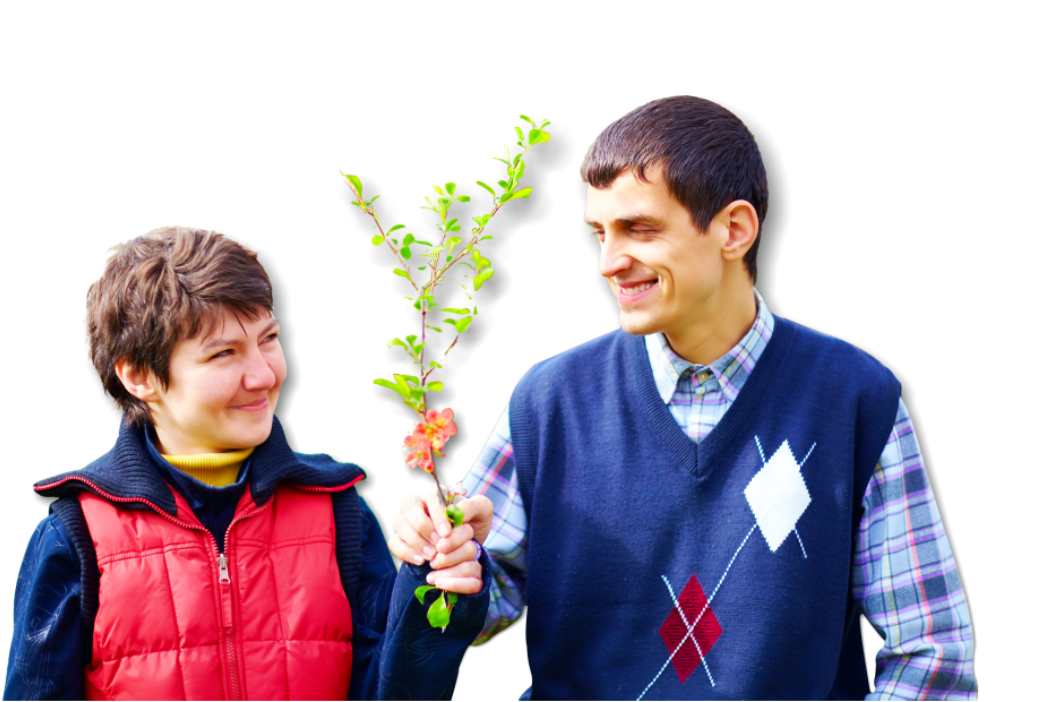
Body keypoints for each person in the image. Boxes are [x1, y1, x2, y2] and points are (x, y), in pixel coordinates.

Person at [387, 95, 979, 699]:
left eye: (639, 230)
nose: (607, 263)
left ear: (734, 229)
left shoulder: (856, 398)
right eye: (598, 233)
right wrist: (447, 558)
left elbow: (932, 656)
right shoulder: (549, 400)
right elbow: (480, 613)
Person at [5, 225, 493, 701]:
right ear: (138, 376)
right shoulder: (76, 536)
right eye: (223, 354)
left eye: (269, 338)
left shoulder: (338, 510)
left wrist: (435, 576)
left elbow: (396, 686)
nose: (263, 375)